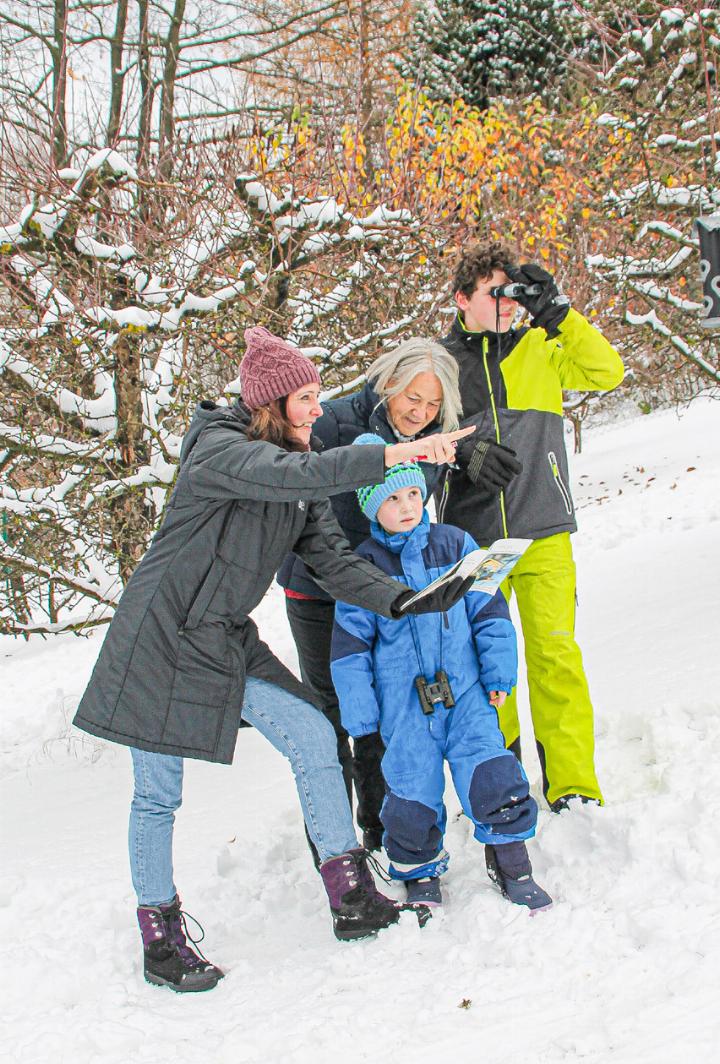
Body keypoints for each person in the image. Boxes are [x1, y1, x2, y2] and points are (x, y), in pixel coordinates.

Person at [73, 326, 476, 994]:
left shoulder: (301, 465)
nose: (319, 410)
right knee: (157, 794)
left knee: (316, 735)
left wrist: (409, 600)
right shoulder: (220, 448)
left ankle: (351, 897)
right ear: (272, 401)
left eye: (319, 397)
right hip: (159, 637)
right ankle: (161, 940)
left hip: (224, 637)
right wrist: (400, 454)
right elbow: (295, 473)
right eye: (307, 398)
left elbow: (333, 564)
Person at [438, 240, 625, 812]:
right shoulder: (438, 365)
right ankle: (503, 784)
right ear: (462, 298)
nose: (508, 304)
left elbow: (607, 372)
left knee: (555, 656)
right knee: (489, 668)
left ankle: (572, 786)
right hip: (474, 541)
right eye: (495, 294)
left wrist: (559, 313)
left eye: (514, 293)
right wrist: (457, 455)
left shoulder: (542, 346)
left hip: (543, 527)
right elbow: (404, 435)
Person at [330, 437, 551, 910]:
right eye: (391, 498)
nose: (407, 506)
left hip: (467, 693)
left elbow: (489, 611)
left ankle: (511, 860)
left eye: (412, 494)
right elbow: (350, 650)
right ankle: (419, 872)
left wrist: (497, 673)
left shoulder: (456, 544)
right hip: (404, 708)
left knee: (491, 772)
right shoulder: (362, 568)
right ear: (371, 508)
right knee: (411, 791)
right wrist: (362, 716)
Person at [277, 337, 463, 852]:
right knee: (330, 717)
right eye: (413, 399)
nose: (421, 414)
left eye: (433, 406)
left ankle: (383, 831)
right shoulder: (332, 421)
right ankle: (335, 846)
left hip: (380, 597)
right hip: (317, 591)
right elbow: (287, 479)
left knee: (384, 712)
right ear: (389, 384)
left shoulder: (433, 441)